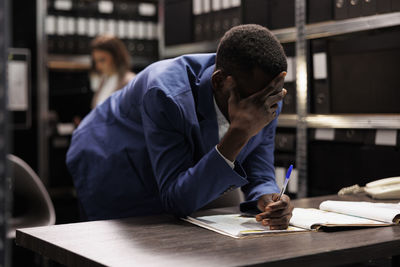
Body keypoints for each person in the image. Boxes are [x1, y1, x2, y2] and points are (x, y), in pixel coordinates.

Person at [66, 24, 294, 229]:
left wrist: (268, 197)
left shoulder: (265, 98)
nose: (261, 110)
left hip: (163, 163)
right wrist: (239, 133)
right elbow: (176, 200)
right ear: (218, 81)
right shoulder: (166, 94)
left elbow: (259, 165)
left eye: (272, 97)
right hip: (109, 155)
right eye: (253, 100)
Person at [89, 34, 135, 108]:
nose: (98, 66)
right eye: (96, 61)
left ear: (116, 57)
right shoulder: (104, 79)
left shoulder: (130, 81)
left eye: (102, 60)